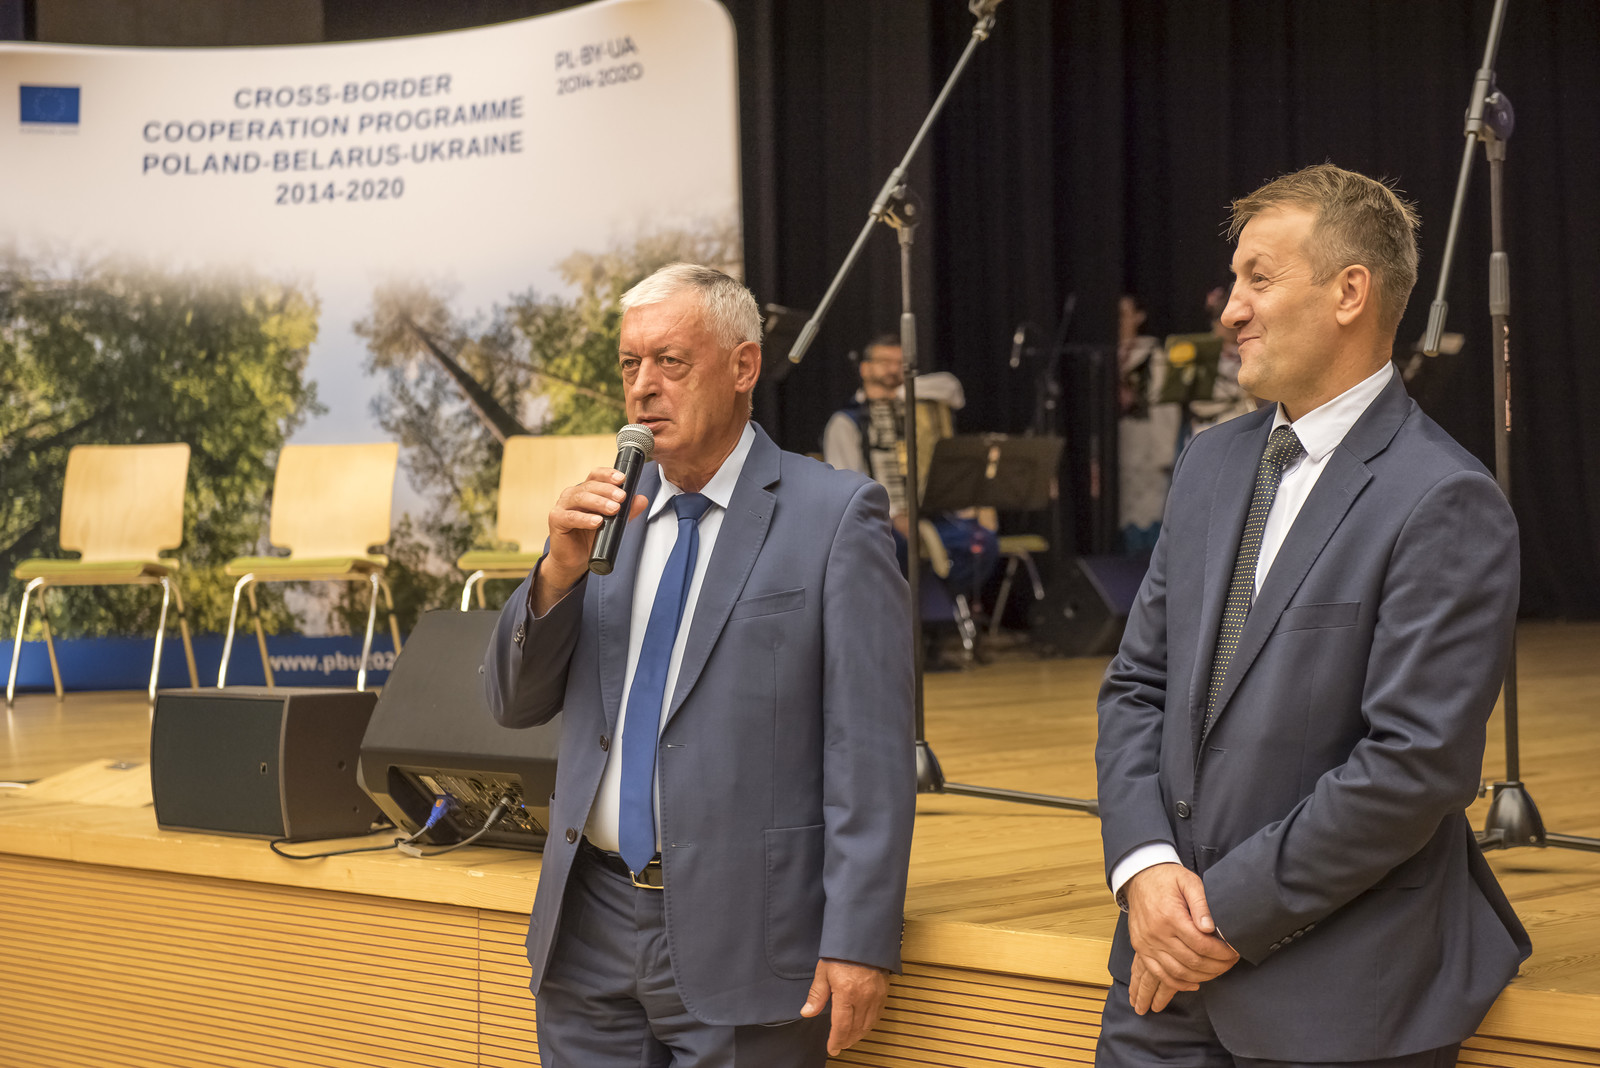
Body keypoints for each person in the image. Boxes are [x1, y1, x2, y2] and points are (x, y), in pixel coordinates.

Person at [1094, 164, 1530, 1067]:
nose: (1230, 311)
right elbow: (1137, 686)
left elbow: (1412, 766)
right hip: (1159, 982)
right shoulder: (1210, 464)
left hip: (1339, 998)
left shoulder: (1444, 498)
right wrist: (1143, 868)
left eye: (1259, 278)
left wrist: (1218, 915)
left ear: (1349, 292)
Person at [482, 262, 916, 1067]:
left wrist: (860, 937)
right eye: (630, 364)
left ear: (744, 367)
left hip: (748, 936)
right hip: (589, 929)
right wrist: (555, 576)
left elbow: (871, 750)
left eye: (670, 362)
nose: (643, 387)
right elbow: (513, 703)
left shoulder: (833, 516)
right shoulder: (607, 517)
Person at [821, 334, 998, 604]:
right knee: (890, 546)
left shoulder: (918, 408)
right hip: (879, 521)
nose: (894, 369)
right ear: (865, 368)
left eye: (900, 363)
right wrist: (893, 514)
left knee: (981, 542)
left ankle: (940, 605)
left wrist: (901, 392)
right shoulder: (846, 422)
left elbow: (952, 388)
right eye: (885, 362)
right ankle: (902, 610)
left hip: (930, 515)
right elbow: (846, 487)